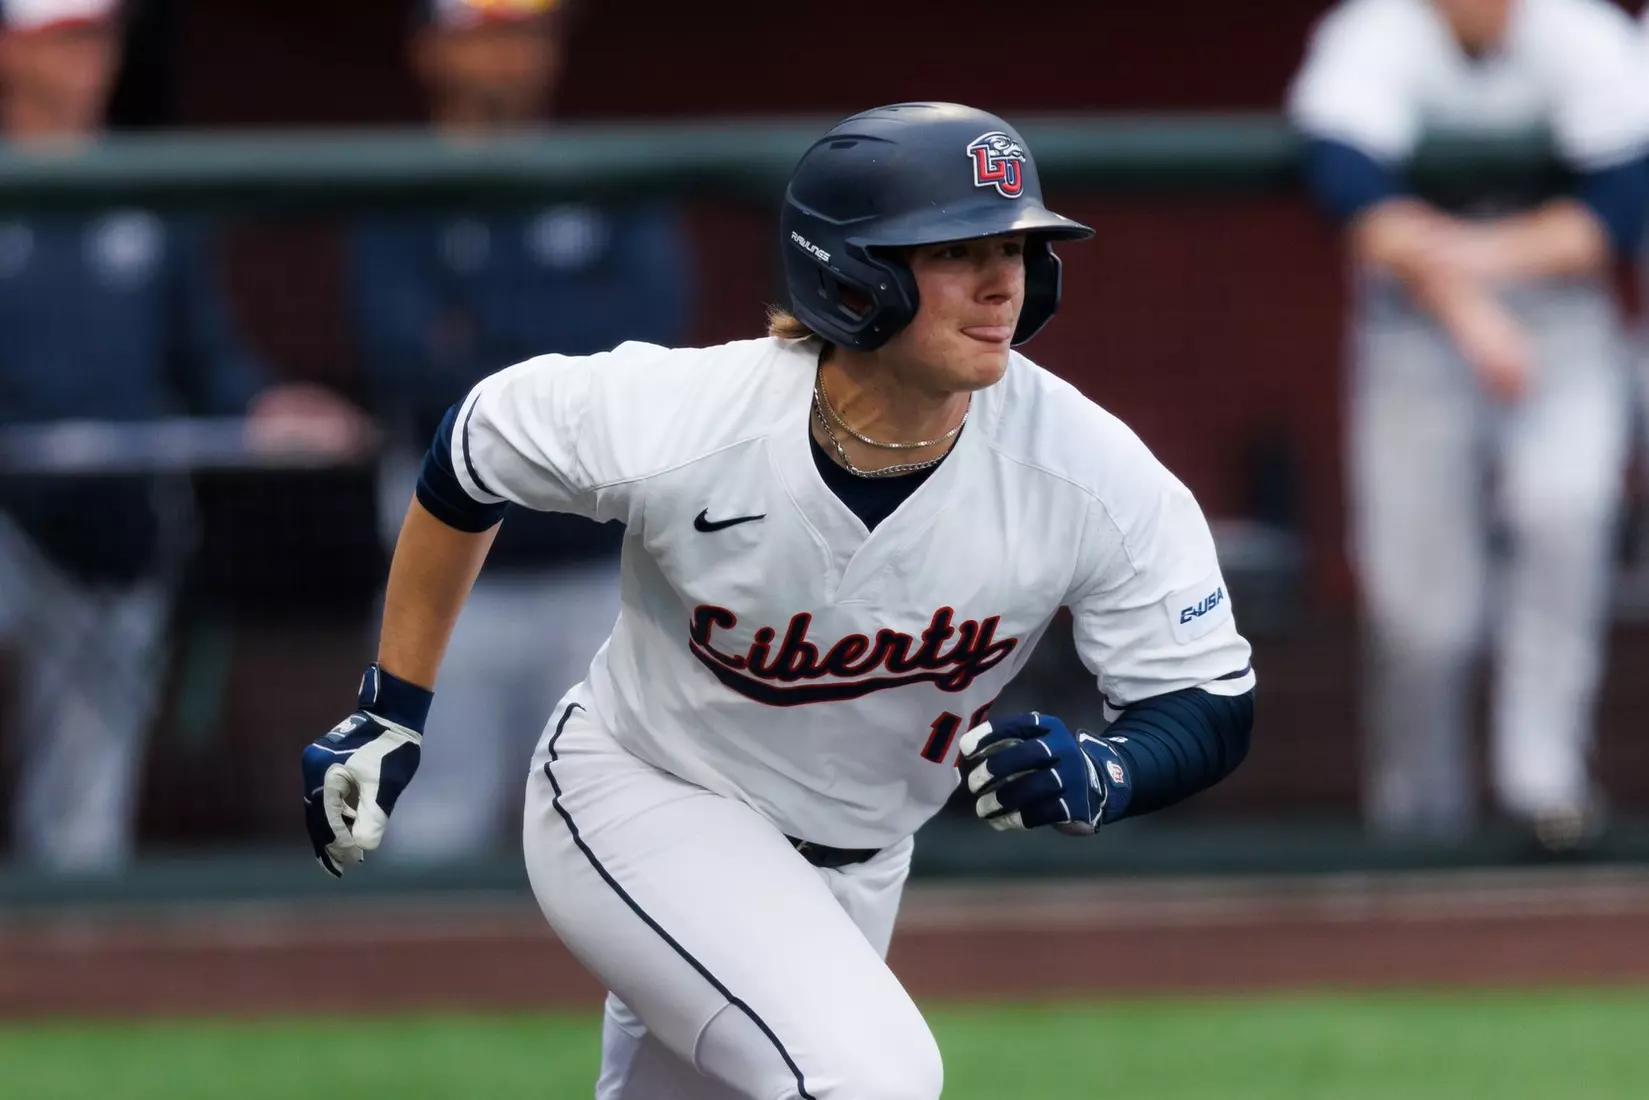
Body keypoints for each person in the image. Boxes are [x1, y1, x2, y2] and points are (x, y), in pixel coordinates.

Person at [304, 103, 1256, 1100]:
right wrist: (389, 706)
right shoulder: (696, 416)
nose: (1001, 280)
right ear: (852, 276)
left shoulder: (1085, 470)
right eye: (954, 249)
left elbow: (1206, 701)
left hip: (855, 866)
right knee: (872, 1075)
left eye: (1018, 245)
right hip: (643, 792)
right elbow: (473, 448)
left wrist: (1109, 768)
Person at [0, 0, 364, 870]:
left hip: (115, 518)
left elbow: (209, 354)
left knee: (87, 772)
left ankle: (73, 948)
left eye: (97, 37)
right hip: (5, 512)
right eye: (62, 39)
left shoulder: (150, 187)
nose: (86, 59)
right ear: (11, 51)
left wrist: (268, 406)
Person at [1287, 0, 1649, 850]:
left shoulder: (1579, 31)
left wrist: (1469, 260)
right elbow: (1346, 184)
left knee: (1565, 518)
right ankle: (1417, 816)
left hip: (1560, 326)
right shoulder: (1372, 33)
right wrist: (1463, 302)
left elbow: (1620, 204)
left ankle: (1544, 787)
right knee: (1421, 607)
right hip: (1415, 333)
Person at [347, 0, 692, 862]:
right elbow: (408, 366)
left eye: (527, 30)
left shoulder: (606, 178)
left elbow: (650, 348)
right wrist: (565, 348)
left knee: (618, 834)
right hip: (449, 572)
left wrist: (483, 338)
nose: (511, 54)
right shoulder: (395, 195)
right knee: (431, 832)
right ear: (432, 50)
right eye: (487, 31)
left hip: (600, 565)